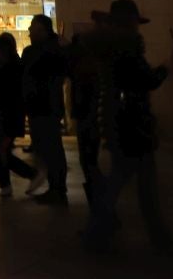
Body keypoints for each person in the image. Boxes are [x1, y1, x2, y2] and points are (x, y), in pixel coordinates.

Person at [82, 0, 173, 255]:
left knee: (124, 180)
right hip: (133, 124)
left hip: (119, 122)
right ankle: (157, 238)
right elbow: (144, 80)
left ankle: (98, 233)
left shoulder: (109, 49)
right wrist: (168, 66)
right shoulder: (128, 48)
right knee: (138, 184)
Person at [20, 13, 69, 204]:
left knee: (50, 148)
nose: (29, 31)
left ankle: (57, 188)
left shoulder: (40, 52)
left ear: (42, 30)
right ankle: (56, 187)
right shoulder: (53, 50)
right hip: (43, 106)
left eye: (33, 28)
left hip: (44, 107)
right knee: (47, 147)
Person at [0, 32, 33, 197]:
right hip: (2, 117)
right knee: (0, 151)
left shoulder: (8, 70)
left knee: (1, 150)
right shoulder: (6, 68)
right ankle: (6, 184)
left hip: (5, 118)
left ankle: (28, 175)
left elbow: (9, 98)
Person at [68, 14, 107, 206]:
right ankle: (101, 210)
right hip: (89, 117)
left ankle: (101, 209)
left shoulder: (87, 67)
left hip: (88, 117)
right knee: (89, 163)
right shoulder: (93, 64)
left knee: (89, 163)